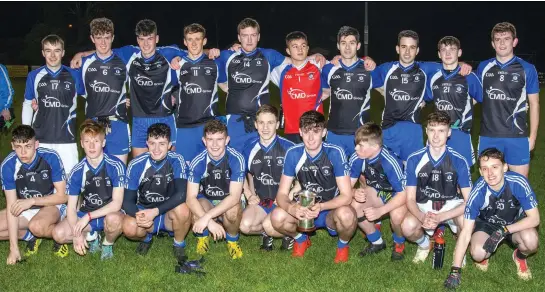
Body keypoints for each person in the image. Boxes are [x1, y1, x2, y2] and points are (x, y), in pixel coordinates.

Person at [72, 19, 219, 158]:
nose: (146, 44)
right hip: (139, 120)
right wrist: (81, 54)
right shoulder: (129, 54)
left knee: (171, 167)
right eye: (142, 39)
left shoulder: (168, 53)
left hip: (164, 117)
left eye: (150, 38)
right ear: (137, 40)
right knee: (141, 168)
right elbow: (104, 50)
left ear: (157, 38)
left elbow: (193, 52)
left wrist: (211, 52)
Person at [215, 18, 325, 153]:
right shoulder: (227, 56)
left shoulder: (269, 55)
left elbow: (294, 59)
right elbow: (218, 77)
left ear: (258, 37)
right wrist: (228, 88)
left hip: (262, 120)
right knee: (235, 161)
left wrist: (315, 56)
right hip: (234, 119)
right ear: (239, 37)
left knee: (258, 162)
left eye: (253, 35)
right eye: (245, 36)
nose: (249, 40)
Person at [445, 148, 540, 289]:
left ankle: (520, 256)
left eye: (495, 167)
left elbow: (534, 219)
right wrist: (455, 270)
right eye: (485, 169)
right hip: (488, 226)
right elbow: (465, 232)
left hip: (515, 225)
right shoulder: (478, 192)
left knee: (531, 242)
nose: (490, 173)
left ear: (505, 167)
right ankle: (485, 256)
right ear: (481, 171)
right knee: (477, 253)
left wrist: (504, 230)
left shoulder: (518, 183)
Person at [270, 110, 357, 263]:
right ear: (300, 132)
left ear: (324, 132)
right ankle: (301, 239)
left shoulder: (335, 152)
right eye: (306, 131)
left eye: (316, 131)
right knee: (277, 217)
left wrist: (321, 207)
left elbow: (346, 195)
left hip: (330, 209)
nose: (311, 138)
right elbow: (282, 194)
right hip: (304, 209)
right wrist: (292, 209)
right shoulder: (293, 153)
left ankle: (342, 246)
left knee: (347, 216)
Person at [372, 30, 471, 163]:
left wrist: (462, 64)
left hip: (413, 130)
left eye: (412, 47)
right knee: (381, 172)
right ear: (397, 49)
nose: (407, 52)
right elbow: (365, 74)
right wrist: (365, 60)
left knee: (411, 174)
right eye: (403, 47)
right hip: (389, 128)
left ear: (417, 50)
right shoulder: (386, 69)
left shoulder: (426, 68)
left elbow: (449, 62)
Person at [401, 111, 472, 264]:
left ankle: (460, 249)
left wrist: (441, 217)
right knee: (407, 226)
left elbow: (469, 201)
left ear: (449, 132)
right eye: (432, 130)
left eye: (441, 130)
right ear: (426, 131)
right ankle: (425, 245)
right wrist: (421, 217)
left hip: (451, 205)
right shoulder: (414, 159)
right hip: (425, 205)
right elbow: (410, 198)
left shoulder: (459, 160)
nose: (436, 136)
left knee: (466, 220)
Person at [52, 120, 125, 260]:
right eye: (87, 141)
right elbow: (71, 208)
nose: (91, 146)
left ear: (103, 143)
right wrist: (77, 234)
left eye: (96, 141)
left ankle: (107, 243)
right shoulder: (77, 171)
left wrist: (88, 217)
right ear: (81, 143)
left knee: (114, 220)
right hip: (87, 212)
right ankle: (91, 236)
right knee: (58, 234)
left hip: (109, 213)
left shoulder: (116, 166)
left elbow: (117, 204)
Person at [477, 22, 540, 177]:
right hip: (488, 136)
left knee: (519, 186)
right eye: (498, 39)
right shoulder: (483, 67)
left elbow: (534, 103)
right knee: (489, 187)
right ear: (492, 44)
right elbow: (474, 97)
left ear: (514, 41)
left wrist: (532, 137)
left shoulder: (527, 68)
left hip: (517, 136)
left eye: (506, 38)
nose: (502, 43)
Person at [122, 123, 191, 263]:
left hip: (168, 213)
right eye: (152, 143)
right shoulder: (136, 164)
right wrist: (139, 215)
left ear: (170, 145)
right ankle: (146, 238)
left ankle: (178, 244)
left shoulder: (177, 160)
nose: (157, 149)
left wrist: (156, 211)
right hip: (145, 211)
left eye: (162, 144)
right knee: (129, 227)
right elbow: (127, 200)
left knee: (183, 210)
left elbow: (182, 194)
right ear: (147, 143)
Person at [0, 125, 68, 264]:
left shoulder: (50, 157)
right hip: (26, 206)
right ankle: (30, 236)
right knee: (27, 227)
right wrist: (14, 248)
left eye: (28, 146)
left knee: (37, 226)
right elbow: (12, 207)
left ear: (36, 144)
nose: (23, 152)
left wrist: (31, 201)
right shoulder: (8, 165)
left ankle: (62, 233)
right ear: (12, 146)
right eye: (18, 146)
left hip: (51, 203)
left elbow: (63, 196)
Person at [186, 120, 246, 259]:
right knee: (196, 207)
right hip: (207, 200)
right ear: (204, 141)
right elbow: (190, 198)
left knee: (233, 211)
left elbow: (234, 197)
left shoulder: (237, 159)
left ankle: (232, 240)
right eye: (210, 139)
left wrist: (207, 218)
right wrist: (210, 221)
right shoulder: (197, 161)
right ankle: (203, 238)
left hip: (228, 200)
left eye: (219, 139)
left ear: (227, 140)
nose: (214, 144)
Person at [23, 34, 82, 174]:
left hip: (67, 138)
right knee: (43, 183)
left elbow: (91, 97)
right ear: (43, 53)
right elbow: (27, 104)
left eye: (57, 50)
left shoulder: (74, 75)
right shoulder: (34, 75)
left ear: (63, 52)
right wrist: (26, 134)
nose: (53, 55)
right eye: (48, 50)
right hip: (41, 138)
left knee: (70, 184)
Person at [348, 122, 407, 260]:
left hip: (398, 193)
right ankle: (377, 242)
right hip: (378, 190)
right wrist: (353, 192)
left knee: (396, 216)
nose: (356, 148)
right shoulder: (357, 157)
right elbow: (347, 187)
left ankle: (399, 243)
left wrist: (380, 211)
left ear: (375, 147)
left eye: (361, 145)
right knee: (355, 205)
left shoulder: (389, 161)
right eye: (356, 143)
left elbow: (403, 193)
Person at [240, 104, 295, 250]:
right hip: (262, 203)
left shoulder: (290, 148)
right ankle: (268, 232)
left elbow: (303, 180)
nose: (265, 127)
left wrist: (287, 196)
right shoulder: (249, 147)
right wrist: (249, 194)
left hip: (284, 202)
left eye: (270, 122)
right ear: (256, 125)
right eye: (261, 123)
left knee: (269, 225)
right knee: (244, 226)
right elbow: (243, 174)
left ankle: (292, 234)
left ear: (277, 124)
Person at [77, 17, 131, 164]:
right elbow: (78, 92)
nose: (103, 42)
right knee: (96, 176)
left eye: (107, 38)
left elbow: (151, 52)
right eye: (99, 38)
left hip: (118, 124)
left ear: (112, 38)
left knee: (118, 174)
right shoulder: (83, 64)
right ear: (92, 38)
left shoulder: (124, 58)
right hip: (93, 124)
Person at [322, 26, 379, 157]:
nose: (347, 48)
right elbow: (322, 94)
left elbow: (387, 90)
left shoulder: (369, 69)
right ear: (338, 45)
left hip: (360, 134)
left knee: (362, 176)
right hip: (334, 133)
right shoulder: (328, 69)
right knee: (334, 175)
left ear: (358, 45)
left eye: (351, 43)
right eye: (343, 43)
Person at [426, 36, 482, 166]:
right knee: (436, 174)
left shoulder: (468, 76)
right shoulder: (434, 77)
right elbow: (425, 99)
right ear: (439, 54)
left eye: (452, 49)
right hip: (437, 133)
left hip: (460, 133)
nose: (448, 53)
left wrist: (467, 104)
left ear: (459, 52)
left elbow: (484, 98)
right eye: (444, 50)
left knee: (460, 179)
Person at [173, 23, 221, 164]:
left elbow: (227, 88)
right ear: (184, 41)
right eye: (190, 39)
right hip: (184, 127)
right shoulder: (177, 65)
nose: (193, 43)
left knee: (209, 172)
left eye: (198, 39)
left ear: (204, 41)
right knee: (183, 173)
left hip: (208, 127)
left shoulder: (215, 64)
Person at [269, 31, 326, 144]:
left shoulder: (319, 65)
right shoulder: (280, 71)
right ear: (288, 51)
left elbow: (344, 62)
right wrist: (238, 48)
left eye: (303, 46)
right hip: (291, 130)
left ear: (308, 48)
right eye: (295, 46)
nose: (300, 50)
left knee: (315, 160)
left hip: (314, 128)